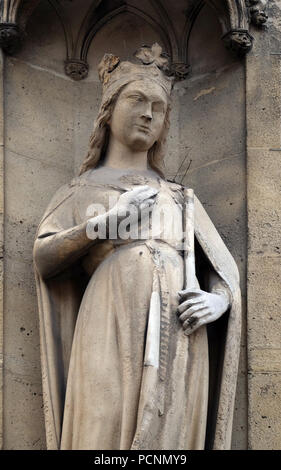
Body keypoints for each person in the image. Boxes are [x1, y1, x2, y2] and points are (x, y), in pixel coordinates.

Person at [33, 44, 241, 450]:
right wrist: (100, 226)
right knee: (101, 426)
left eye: (159, 108)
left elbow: (224, 273)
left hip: (180, 332)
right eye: (137, 100)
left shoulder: (181, 197)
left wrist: (218, 302)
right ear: (109, 111)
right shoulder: (80, 190)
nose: (148, 113)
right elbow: (44, 257)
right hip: (107, 322)